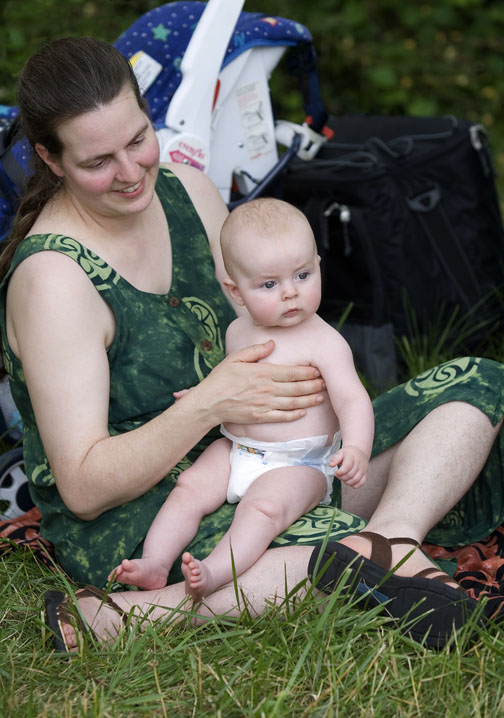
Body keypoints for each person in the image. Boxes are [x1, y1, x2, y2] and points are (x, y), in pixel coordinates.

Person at [0, 37, 502, 653]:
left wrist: (321, 397)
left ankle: (392, 537)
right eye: (98, 161)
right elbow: (83, 487)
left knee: (477, 382)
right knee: (322, 552)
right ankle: (135, 616)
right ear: (50, 160)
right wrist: (210, 403)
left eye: (137, 140)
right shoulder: (54, 280)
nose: (131, 174)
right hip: (145, 508)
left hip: (273, 454)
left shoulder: (188, 191)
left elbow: (265, 308)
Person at [109, 198, 374, 597]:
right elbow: (231, 384)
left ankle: (215, 572)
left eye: (302, 275)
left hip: (299, 462)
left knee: (263, 509)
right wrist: (200, 397)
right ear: (235, 291)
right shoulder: (237, 332)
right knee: (191, 487)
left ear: (319, 265)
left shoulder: (325, 342)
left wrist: (356, 447)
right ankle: (156, 563)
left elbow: (353, 400)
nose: (290, 294)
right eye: (269, 284)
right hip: (239, 447)